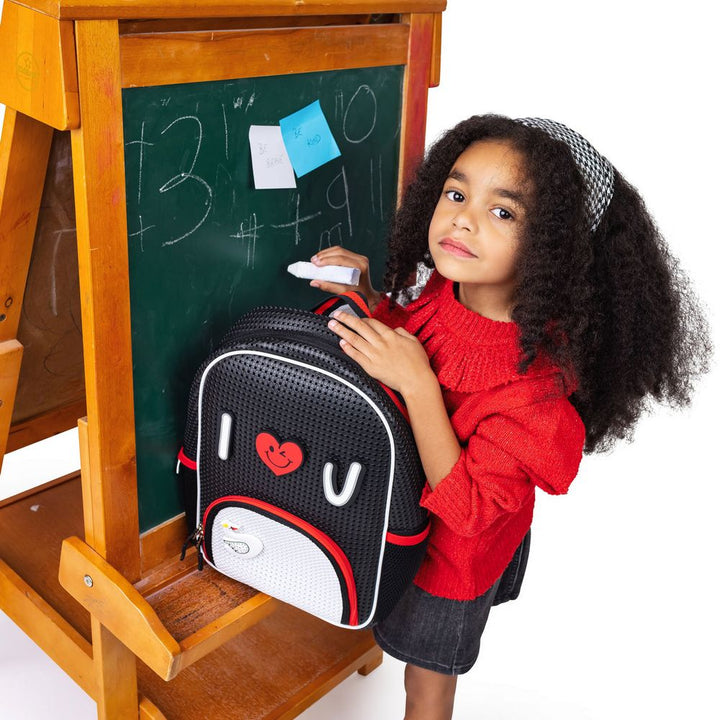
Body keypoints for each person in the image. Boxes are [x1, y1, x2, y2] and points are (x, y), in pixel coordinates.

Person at [308, 114, 711, 720]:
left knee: (426, 686)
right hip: (394, 522)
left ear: (552, 247)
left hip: (449, 562)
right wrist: (369, 299)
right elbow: (413, 339)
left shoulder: (537, 394)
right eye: (456, 194)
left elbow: (469, 510)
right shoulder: (446, 293)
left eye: (502, 212)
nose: (463, 219)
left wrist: (418, 384)